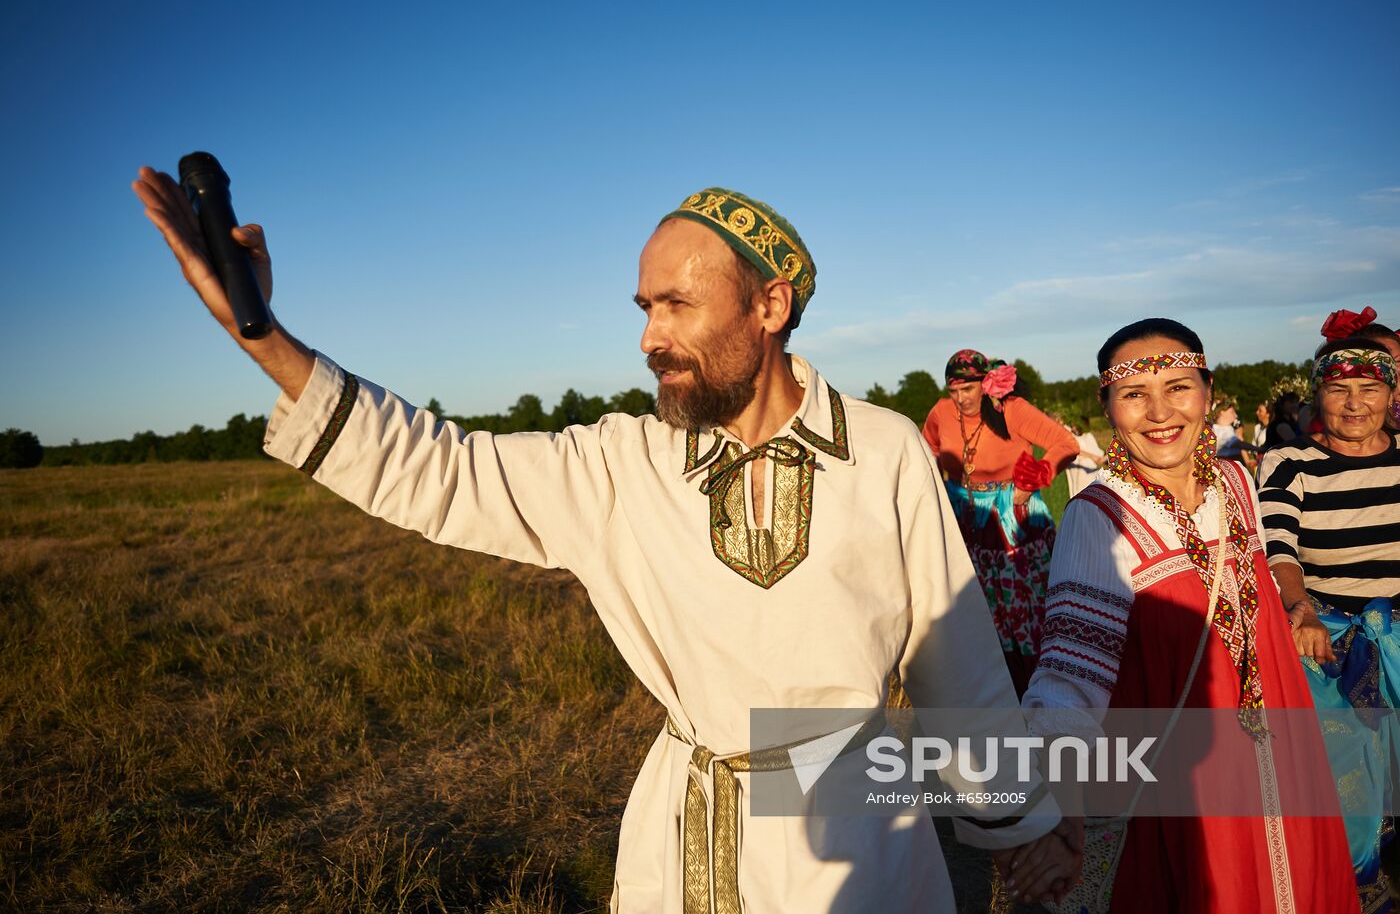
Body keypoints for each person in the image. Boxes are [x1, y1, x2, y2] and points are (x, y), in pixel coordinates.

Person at [132, 172, 1080, 912]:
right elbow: (443, 469)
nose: (649, 338)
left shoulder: (884, 452)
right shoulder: (621, 460)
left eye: (677, 305)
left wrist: (1018, 821)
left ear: (770, 305)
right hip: (683, 842)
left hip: (854, 850)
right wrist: (265, 337)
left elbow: (957, 666)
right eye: (643, 309)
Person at [1023, 317, 1359, 913]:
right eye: (1134, 394)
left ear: (1207, 391)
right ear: (1106, 405)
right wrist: (1063, 794)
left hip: (1283, 747)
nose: (1159, 412)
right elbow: (1067, 679)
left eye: (1178, 387)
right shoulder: (1098, 517)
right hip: (1186, 780)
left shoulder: (1236, 482)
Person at [1257, 318, 1400, 912]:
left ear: (1392, 395)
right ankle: (1357, 888)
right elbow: (1279, 549)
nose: (1355, 403)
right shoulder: (1291, 462)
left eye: (1370, 388)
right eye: (1339, 389)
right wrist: (1301, 609)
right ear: (1318, 394)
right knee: (1346, 777)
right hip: (1330, 640)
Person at [920, 352, 1077, 696]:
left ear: (986, 384)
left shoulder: (1012, 409)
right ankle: (995, 695)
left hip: (1015, 522)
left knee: (1024, 612)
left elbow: (1066, 444)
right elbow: (927, 451)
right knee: (978, 611)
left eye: (968, 389)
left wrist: (1033, 479)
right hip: (966, 522)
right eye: (953, 389)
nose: (960, 398)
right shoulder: (941, 413)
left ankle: (1043, 693)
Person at [1058, 414, 1104, 499]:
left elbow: (1098, 455)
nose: (1073, 428)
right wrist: (1091, 456)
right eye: (1072, 425)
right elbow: (1072, 449)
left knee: (1089, 496)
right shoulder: (1070, 435)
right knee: (1079, 495)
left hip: (1089, 471)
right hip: (1077, 470)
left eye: (1076, 426)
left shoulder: (1088, 436)